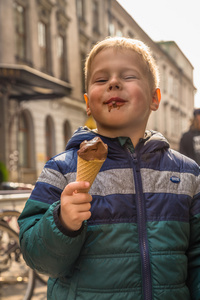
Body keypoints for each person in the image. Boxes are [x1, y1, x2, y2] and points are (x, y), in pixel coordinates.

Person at [18, 37, 200, 300]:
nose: (113, 83)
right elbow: (39, 259)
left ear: (154, 98)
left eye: (128, 76)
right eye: (101, 80)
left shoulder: (187, 173)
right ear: (88, 103)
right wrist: (62, 223)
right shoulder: (62, 169)